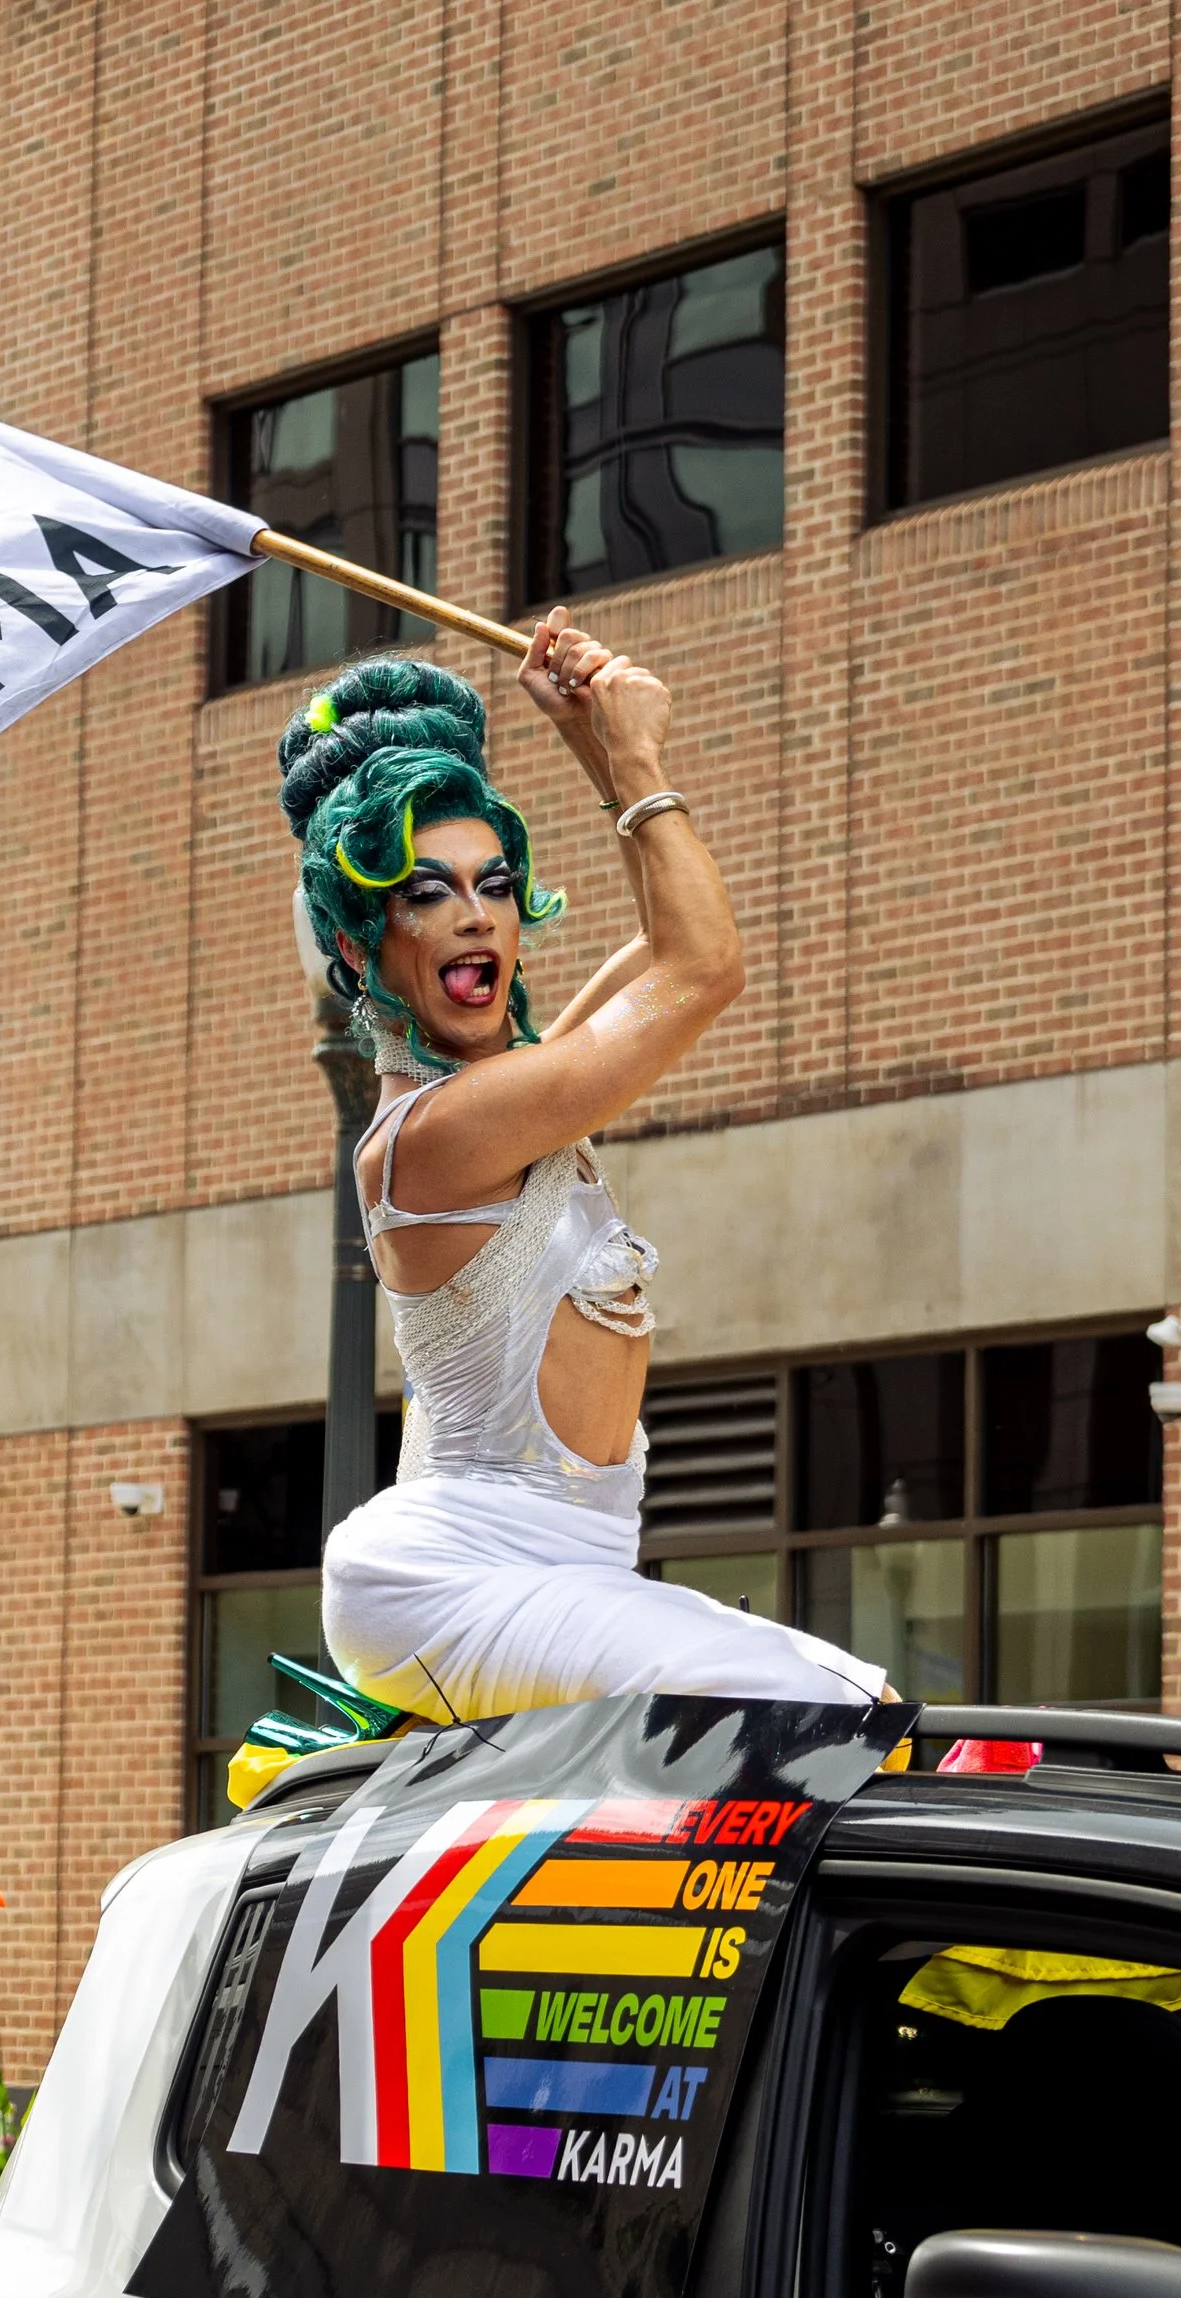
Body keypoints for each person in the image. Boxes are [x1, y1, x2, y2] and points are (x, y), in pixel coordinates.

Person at [290, 629, 887, 1725]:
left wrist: (589, 743)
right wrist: (638, 761)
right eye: (426, 892)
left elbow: (672, 941)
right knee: (807, 1709)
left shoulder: (516, 1099)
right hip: (448, 1579)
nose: (474, 913)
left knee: (864, 1697)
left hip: (573, 1567)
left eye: (496, 884)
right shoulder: (429, 1134)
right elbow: (702, 970)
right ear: (363, 945)